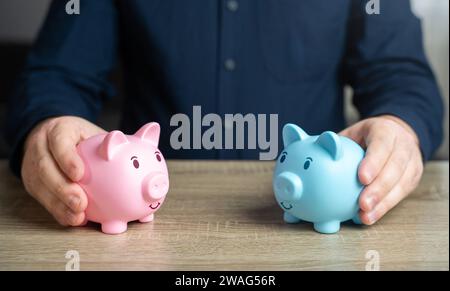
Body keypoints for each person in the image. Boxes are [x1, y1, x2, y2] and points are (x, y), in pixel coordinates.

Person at [4, 0, 443, 228]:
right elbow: (57, 73)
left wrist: (400, 126)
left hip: (309, 230)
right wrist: (47, 128)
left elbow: (398, 72)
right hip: (148, 236)